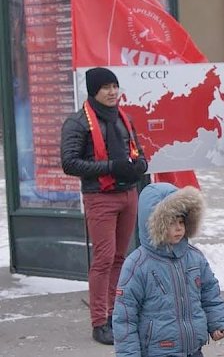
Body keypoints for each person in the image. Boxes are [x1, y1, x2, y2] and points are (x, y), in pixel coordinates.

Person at [60, 67, 148, 345]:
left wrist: (140, 165)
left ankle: (115, 313)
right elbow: (70, 163)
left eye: (115, 86)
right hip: (100, 196)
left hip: (128, 194)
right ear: (93, 91)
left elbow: (137, 150)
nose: (112, 92)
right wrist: (111, 167)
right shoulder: (77, 123)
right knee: (104, 259)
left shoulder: (125, 118)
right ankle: (99, 321)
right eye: (106, 87)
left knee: (121, 258)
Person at [112, 183, 224, 357]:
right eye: (171, 222)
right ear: (154, 224)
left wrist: (218, 322)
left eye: (181, 221)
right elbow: (125, 316)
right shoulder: (138, 264)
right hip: (158, 350)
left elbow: (210, 293)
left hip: (193, 349)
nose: (178, 228)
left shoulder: (194, 257)